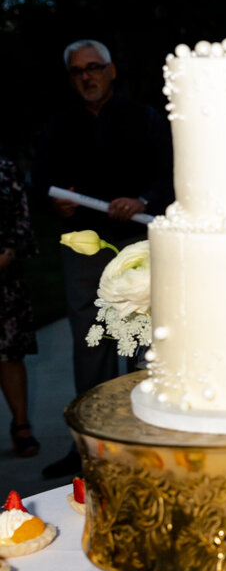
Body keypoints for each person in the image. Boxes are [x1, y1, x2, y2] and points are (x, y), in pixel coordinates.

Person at [33, 39, 173, 478]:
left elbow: (170, 175)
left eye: (94, 68)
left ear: (112, 70)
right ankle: (90, 449)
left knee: (142, 340)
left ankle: (146, 441)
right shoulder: (58, 127)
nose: (87, 77)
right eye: (78, 71)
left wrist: (143, 198)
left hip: (139, 243)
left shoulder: (145, 119)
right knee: (92, 342)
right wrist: (57, 204)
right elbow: (42, 184)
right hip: (84, 245)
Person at [0, 152, 40, 458]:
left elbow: (21, 215)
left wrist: (9, 252)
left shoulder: (5, 165)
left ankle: (21, 424)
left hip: (3, 271)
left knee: (9, 351)